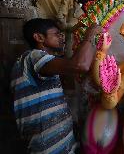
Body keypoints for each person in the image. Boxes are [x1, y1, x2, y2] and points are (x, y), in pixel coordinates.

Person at [10, 18, 99, 153]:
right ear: (39, 37)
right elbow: (81, 64)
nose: (61, 37)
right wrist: (91, 34)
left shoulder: (45, 63)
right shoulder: (33, 57)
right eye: (57, 34)